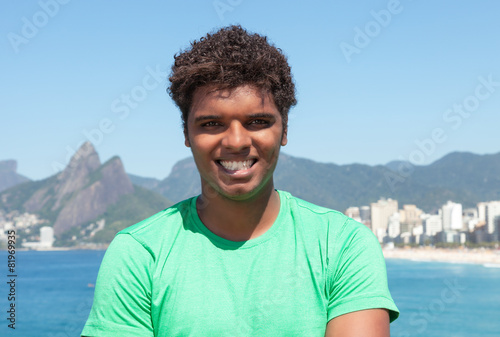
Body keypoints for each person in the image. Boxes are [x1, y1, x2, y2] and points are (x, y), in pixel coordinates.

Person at [81, 25, 399, 337]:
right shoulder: (139, 254)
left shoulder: (342, 245)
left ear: (284, 131)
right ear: (187, 136)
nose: (236, 141)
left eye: (257, 121)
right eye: (212, 123)